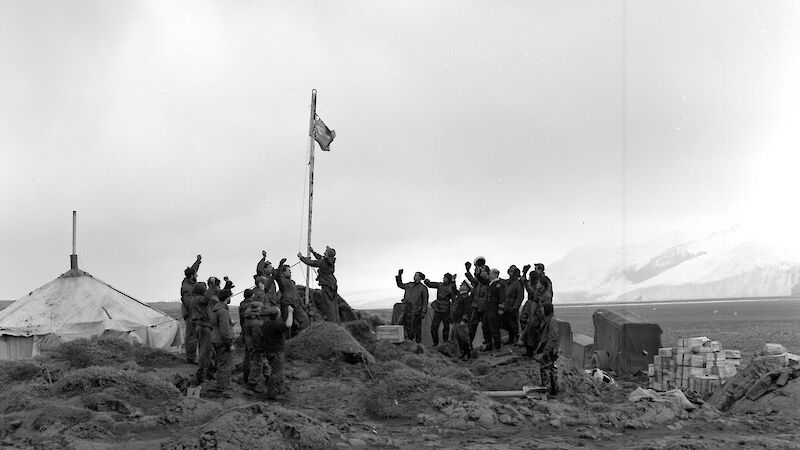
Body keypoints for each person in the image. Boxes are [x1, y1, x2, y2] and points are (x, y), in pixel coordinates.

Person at [297, 246, 339, 322]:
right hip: (332, 284)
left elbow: (311, 262)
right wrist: (313, 252)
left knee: (328, 304)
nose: (324, 252)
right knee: (333, 304)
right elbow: (320, 258)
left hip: (327, 285)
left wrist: (301, 257)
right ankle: (336, 321)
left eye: (326, 251)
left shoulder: (323, 262)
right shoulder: (330, 261)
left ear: (327, 254)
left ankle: (332, 322)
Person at [262, 305, 294, 400]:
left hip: (269, 351)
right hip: (277, 352)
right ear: (277, 315)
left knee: (277, 371)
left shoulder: (266, 324)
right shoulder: (276, 325)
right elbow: (288, 324)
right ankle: (272, 394)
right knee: (276, 373)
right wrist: (290, 312)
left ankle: (280, 389)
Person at [274, 258, 309, 336]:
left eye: (290, 271)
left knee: (305, 319)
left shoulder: (292, 282)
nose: (290, 272)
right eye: (288, 271)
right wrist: (280, 265)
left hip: (296, 304)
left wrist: (302, 305)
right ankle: (288, 341)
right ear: (283, 273)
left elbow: (297, 294)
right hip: (287, 304)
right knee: (288, 324)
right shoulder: (282, 281)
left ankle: (304, 336)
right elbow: (277, 276)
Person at [210, 288, 235, 397]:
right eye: (230, 297)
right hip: (222, 341)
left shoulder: (215, 309)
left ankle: (221, 385)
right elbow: (224, 331)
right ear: (227, 298)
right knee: (225, 365)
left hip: (215, 339)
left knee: (220, 363)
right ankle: (223, 388)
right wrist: (230, 343)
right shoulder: (223, 311)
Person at [395, 269, 429, 344]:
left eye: (416, 275)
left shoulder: (423, 288)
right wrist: (399, 276)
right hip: (406, 309)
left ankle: (417, 344)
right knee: (404, 325)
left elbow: (425, 301)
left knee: (416, 328)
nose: (414, 276)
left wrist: (423, 311)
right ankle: (407, 342)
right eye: (414, 275)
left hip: (416, 311)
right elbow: (400, 285)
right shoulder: (409, 285)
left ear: (420, 278)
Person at [190, 282, 214, 384]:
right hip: (204, 327)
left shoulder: (194, 299)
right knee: (205, 353)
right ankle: (201, 377)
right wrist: (212, 287)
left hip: (200, 327)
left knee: (203, 351)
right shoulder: (199, 299)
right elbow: (207, 298)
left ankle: (202, 375)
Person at [424, 273, 456, 346]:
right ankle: (435, 343)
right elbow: (430, 284)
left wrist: (454, 282)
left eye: (446, 278)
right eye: (444, 277)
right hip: (438, 308)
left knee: (446, 327)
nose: (444, 279)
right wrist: (426, 281)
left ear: (449, 280)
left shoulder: (451, 287)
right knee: (434, 327)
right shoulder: (440, 285)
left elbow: (454, 295)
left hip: (446, 309)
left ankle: (445, 343)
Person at [180, 254, 201, 364]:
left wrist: (198, 261)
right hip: (191, 315)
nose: (197, 275)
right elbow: (189, 303)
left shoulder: (188, 281)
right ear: (191, 276)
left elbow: (193, 269)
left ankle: (192, 358)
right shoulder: (187, 288)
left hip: (194, 314)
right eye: (195, 274)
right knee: (191, 337)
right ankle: (191, 359)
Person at [534, 302, 559, 395]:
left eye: (543, 309)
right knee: (552, 369)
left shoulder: (552, 320)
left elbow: (553, 337)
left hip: (550, 349)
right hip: (552, 349)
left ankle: (546, 390)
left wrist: (546, 350)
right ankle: (554, 390)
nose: (541, 311)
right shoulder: (549, 319)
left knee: (545, 369)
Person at [464, 261, 490, 349]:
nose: (481, 272)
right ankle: (469, 344)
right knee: (472, 325)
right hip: (476, 306)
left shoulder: (489, 281)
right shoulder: (478, 281)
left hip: (485, 307)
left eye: (483, 271)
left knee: (485, 326)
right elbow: (472, 279)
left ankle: (487, 342)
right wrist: (468, 270)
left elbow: (481, 280)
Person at [242, 301, 265, 391]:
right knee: (257, 362)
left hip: (248, 342)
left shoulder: (247, 317)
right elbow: (257, 336)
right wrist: (260, 347)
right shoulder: (256, 323)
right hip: (254, 344)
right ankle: (253, 383)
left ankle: (246, 377)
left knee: (248, 360)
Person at [501, 265, 524, 346]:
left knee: (513, 323)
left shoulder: (518, 283)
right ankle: (511, 339)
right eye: (509, 271)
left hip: (513, 306)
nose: (510, 273)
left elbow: (520, 296)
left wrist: (515, 307)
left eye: (512, 271)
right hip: (506, 306)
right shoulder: (508, 282)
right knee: (507, 323)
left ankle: (516, 338)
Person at [484, 268, 505, 351]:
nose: (489, 275)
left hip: (494, 310)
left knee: (494, 328)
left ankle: (497, 346)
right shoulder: (491, 284)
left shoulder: (499, 284)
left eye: (490, 274)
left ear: (495, 274)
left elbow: (502, 297)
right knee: (485, 326)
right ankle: (489, 344)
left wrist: (500, 308)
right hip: (488, 309)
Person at [451, 280, 473, 360]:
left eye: (462, 285)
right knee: (458, 338)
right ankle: (463, 353)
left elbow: (467, 310)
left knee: (464, 337)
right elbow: (454, 289)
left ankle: (467, 353)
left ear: (467, 288)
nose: (460, 286)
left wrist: (464, 319)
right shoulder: (460, 296)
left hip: (461, 320)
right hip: (456, 320)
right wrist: (453, 282)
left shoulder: (467, 297)